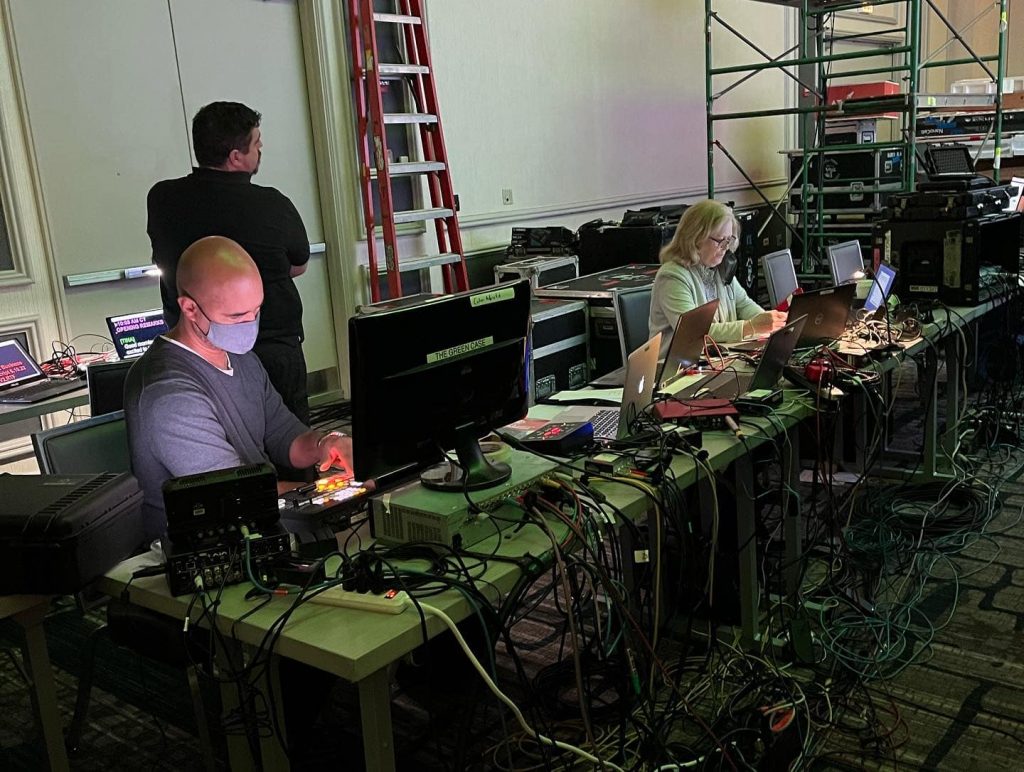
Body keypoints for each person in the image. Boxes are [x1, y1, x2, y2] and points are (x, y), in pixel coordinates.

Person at [123, 236, 351, 542]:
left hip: (258, 523)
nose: (249, 324)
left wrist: (329, 443)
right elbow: (235, 494)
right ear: (189, 308)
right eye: (235, 317)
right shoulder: (169, 394)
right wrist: (343, 489)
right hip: (205, 543)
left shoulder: (243, 359)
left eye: (255, 311)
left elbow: (287, 438)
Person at [147, 101, 312, 424]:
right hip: (271, 348)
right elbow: (299, 265)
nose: (261, 149)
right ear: (236, 157)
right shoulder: (272, 204)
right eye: (256, 142)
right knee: (289, 441)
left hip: (192, 352)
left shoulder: (162, 198)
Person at [649, 199, 786, 349]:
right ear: (695, 238)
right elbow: (695, 332)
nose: (725, 248)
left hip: (716, 361)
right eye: (720, 240)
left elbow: (744, 305)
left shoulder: (720, 268)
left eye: (729, 240)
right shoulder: (672, 277)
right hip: (678, 369)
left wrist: (770, 322)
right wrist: (750, 327)